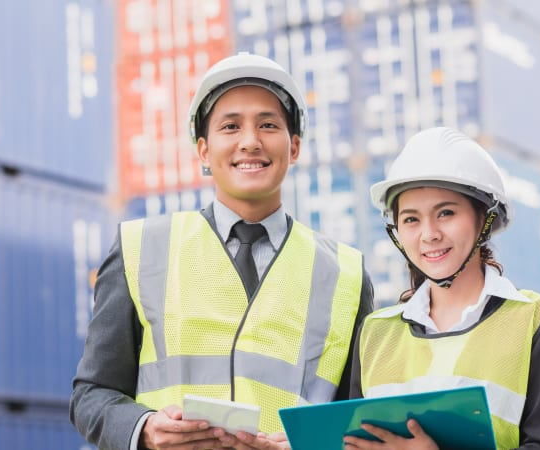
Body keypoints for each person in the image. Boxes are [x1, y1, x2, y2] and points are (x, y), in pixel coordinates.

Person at [70, 52, 374, 450]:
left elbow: (358, 424)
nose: (250, 141)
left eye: (268, 125)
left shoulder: (346, 275)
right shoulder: (139, 249)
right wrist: (143, 428)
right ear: (203, 151)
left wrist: (313, 445)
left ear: (294, 146)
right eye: (230, 126)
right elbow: (92, 395)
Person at [344, 127, 540, 449]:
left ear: (484, 219)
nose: (429, 234)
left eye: (446, 213)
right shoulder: (375, 334)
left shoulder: (535, 322)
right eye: (410, 219)